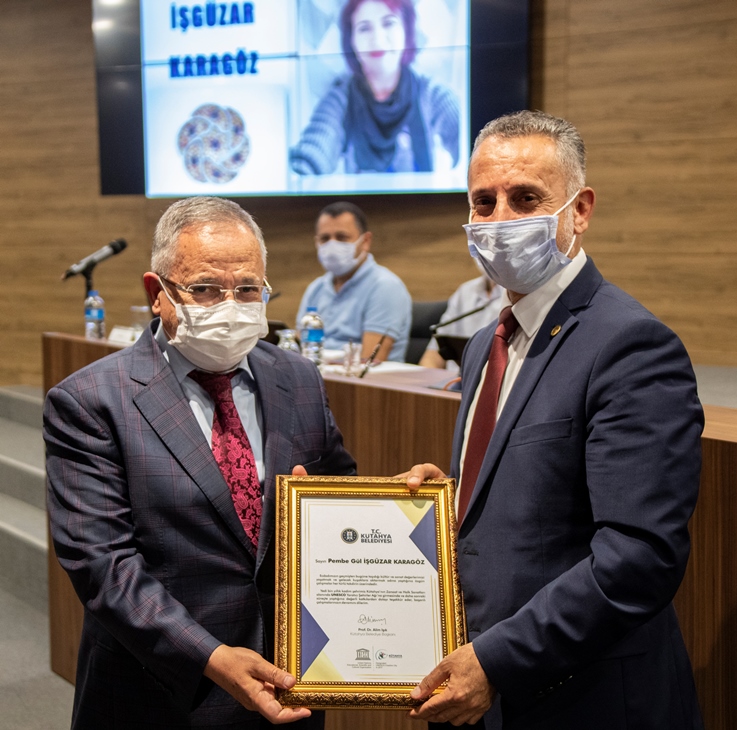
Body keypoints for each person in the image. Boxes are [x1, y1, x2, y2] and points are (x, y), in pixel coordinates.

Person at [402, 111, 704, 729]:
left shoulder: (631, 344)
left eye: (525, 199)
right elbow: (532, 492)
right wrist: (448, 500)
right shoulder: (485, 341)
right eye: (483, 202)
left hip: (583, 699)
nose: (498, 220)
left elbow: (640, 555)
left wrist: (497, 661)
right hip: (484, 692)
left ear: (579, 210)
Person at [44, 197, 356, 729]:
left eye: (248, 289)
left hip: (289, 686)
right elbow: (104, 567)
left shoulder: (298, 378)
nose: (230, 306)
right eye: (206, 288)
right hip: (158, 693)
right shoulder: (90, 401)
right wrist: (210, 657)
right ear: (157, 293)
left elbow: (341, 488)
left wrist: (402, 503)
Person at [290, 0, 460, 175]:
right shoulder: (340, 99)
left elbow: (474, 147)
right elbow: (312, 152)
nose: (377, 39)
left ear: (406, 31)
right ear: (351, 41)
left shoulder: (433, 94)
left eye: (388, 23)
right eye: (364, 28)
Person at [297, 201, 411, 362]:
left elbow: (369, 359)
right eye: (325, 238)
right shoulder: (316, 288)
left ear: (366, 241)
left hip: (367, 377)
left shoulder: (386, 286)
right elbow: (300, 347)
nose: (332, 245)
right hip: (317, 373)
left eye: (342, 237)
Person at [419, 270, 504, 370]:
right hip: (452, 378)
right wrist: (425, 377)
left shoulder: (516, 295)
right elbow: (433, 354)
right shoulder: (466, 290)